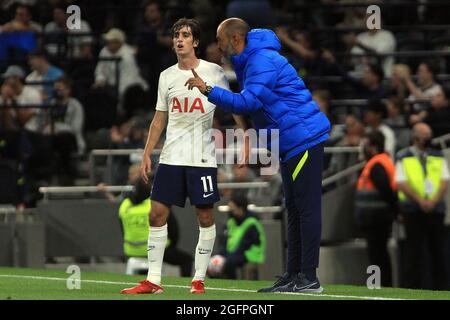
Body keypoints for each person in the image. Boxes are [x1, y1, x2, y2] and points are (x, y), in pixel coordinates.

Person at [185, 18, 330, 293]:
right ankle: (294, 275)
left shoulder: (261, 61)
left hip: (302, 139)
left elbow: (249, 102)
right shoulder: (249, 61)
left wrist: (208, 90)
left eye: (220, 40)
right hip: (288, 143)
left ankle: (309, 277)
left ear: (235, 40)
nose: (217, 46)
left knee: (306, 210)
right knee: (294, 211)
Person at [121, 18, 247, 295]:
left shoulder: (213, 72)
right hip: (170, 158)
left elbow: (236, 106)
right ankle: (153, 281)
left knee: (204, 217)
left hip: (201, 158)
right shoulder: (166, 76)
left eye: (186, 35)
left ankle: (198, 279)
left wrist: (246, 139)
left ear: (196, 42)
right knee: (156, 215)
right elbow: (159, 118)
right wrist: (146, 154)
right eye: (177, 34)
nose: (179, 39)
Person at [396, 123, 449, 290]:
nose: (428, 138)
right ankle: (412, 289)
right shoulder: (403, 156)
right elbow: (401, 182)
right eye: (425, 135)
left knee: (438, 252)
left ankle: (441, 290)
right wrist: (420, 200)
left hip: (436, 210)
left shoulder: (438, 155)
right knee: (413, 252)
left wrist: (433, 202)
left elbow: (444, 181)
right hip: (412, 210)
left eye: (429, 135)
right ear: (415, 136)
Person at [355, 131, 397, 287]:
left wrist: (395, 210)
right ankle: (381, 286)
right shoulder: (380, 161)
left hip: (377, 219)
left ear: (373, 147)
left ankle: (379, 287)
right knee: (379, 255)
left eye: (365, 145)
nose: (363, 149)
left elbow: (386, 190)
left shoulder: (377, 164)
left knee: (377, 256)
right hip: (376, 219)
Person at [216, 192, 266, 279]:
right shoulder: (232, 222)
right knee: (215, 263)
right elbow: (225, 241)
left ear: (240, 208)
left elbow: (244, 245)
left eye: (233, 208)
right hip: (235, 253)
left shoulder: (251, 223)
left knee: (229, 263)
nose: (230, 211)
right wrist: (221, 255)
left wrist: (227, 258)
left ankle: (232, 283)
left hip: (250, 254)